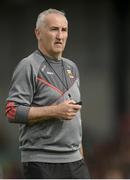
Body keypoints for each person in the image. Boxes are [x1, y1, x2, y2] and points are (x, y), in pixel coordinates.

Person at [5, 8, 90, 179]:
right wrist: (55, 111)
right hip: (41, 162)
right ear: (38, 33)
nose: (60, 36)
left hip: (75, 161)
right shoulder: (28, 66)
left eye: (64, 30)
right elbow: (12, 111)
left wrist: (80, 155)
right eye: (53, 29)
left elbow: (74, 117)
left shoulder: (72, 67)